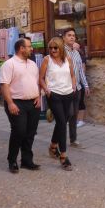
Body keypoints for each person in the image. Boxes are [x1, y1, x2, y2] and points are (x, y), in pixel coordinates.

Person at [0, 38, 41, 173]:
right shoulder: (9, 64)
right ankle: (12, 160)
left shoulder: (33, 64)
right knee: (19, 131)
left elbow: (37, 82)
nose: (31, 49)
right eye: (29, 46)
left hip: (33, 102)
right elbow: (4, 85)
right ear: (21, 48)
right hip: (16, 102)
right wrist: (10, 103)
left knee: (30, 132)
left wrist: (39, 96)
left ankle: (26, 160)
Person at [39, 37, 76, 171]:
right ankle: (63, 156)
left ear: (61, 48)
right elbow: (41, 78)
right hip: (54, 95)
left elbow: (72, 75)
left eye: (55, 48)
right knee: (61, 122)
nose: (53, 50)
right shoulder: (46, 60)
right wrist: (46, 89)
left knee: (62, 121)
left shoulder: (68, 60)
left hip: (68, 94)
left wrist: (73, 86)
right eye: (50, 48)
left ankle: (53, 147)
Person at [62, 28, 89, 148]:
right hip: (65, 88)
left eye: (73, 35)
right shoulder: (60, 52)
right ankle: (58, 139)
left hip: (77, 88)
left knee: (74, 115)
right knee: (67, 114)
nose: (72, 37)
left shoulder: (77, 53)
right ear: (64, 37)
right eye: (69, 35)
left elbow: (81, 72)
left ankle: (73, 139)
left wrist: (86, 85)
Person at [73, 42, 88, 128]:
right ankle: (75, 120)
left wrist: (83, 83)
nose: (73, 48)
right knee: (74, 103)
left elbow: (83, 70)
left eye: (75, 47)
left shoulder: (81, 58)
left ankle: (81, 120)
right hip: (73, 83)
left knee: (80, 102)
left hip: (80, 82)